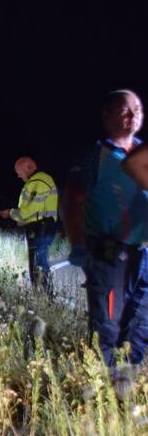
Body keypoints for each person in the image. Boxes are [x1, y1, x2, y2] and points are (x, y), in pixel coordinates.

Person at [63, 89, 147, 367]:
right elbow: (73, 203)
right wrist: (78, 244)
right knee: (108, 327)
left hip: (144, 255)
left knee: (140, 327)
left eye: (138, 110)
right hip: (109, 257)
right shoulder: (93, 157)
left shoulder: (144, 155)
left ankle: (128, 391)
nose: (133, 116)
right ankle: (102, 392)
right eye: (125, 110)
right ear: (107, 115)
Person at [0, 156, 58, 290]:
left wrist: (10, 213)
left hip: (41, 228)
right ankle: (42, 294)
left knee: (39, 264)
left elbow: (30, 210)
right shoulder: (37, 181)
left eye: (19, 171)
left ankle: (45, 296)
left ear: (30, 167)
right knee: (37, 263)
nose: (18, 175)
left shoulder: (39, 182)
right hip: (40, 228)